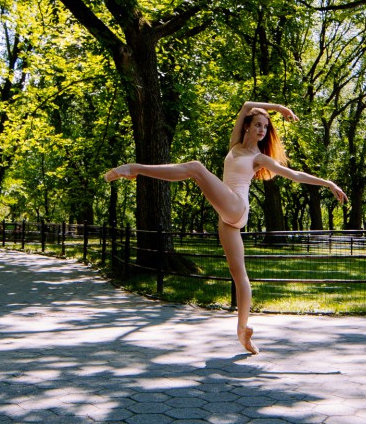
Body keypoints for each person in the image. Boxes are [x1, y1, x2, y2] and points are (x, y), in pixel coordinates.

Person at [105, 101, 348, 354]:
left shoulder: (259, 157)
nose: (262, 130)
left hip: (237, 206)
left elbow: (295, 175)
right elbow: (246, 105)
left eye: (265, 127)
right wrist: (279, 108)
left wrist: (328, 183)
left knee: (196, 168)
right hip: (228, 218)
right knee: (238, 275)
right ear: (246, 126)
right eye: (258, 125)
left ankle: (134, 169)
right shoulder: (235, 145)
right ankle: (243, 331)